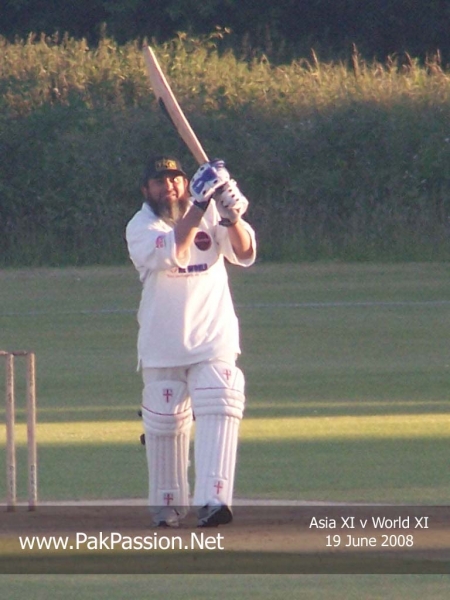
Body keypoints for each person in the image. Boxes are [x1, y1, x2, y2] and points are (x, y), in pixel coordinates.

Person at [126, 156, 256, 527]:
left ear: (186, 182)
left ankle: (214, 500)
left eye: (176, 179)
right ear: (146, 189)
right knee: (165, 421)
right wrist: (200, 204)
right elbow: (175, 251)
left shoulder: (212, 212)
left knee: (220, 397)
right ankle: (168, 506)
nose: (169, 186)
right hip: (162, 343)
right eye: (160, 181)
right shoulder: (140, 226)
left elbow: (244, 253)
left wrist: (232, 217)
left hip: (213, 336)